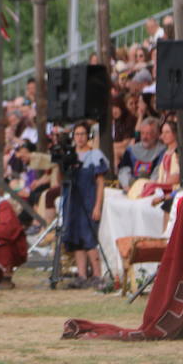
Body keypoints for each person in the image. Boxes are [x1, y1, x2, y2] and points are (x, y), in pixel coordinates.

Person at [60, 122, 108, 289]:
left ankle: (96, 274)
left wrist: (97, 206)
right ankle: (81, 275)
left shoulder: (94, 155)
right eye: (77, 134)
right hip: (72, 201)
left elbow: (100, 182)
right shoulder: (70, 154)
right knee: (76, 238)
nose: (79, 137)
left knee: (89, 238)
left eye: (82, 134)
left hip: (88, 199)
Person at [118, 117, 166, 192]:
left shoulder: (162, 151)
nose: (144, 137)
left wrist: (148, 187)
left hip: (151, 189)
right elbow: (124, 170)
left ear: (156, 135)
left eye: (148, 133)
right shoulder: (131, 150)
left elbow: (158, 172)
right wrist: (126, 184)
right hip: (131, 188)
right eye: (142, 133)